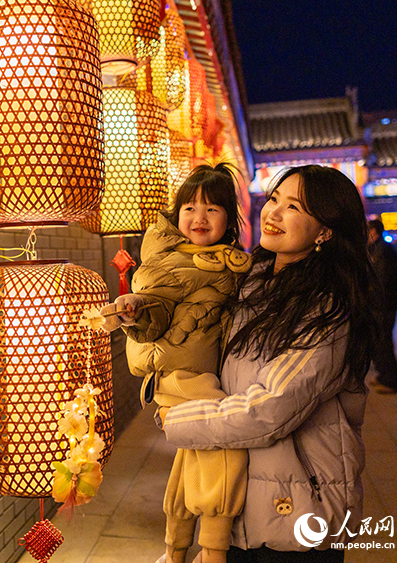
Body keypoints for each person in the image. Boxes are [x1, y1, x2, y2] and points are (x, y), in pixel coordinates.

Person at [157, 165, 378, 562]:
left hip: (298, 512)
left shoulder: (325, 307)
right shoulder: (253, 278)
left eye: (292, 207)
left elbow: (270, 409)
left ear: (325, 231)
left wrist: (177, 420)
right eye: (274, 199)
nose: (272, 213)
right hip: (244, 499)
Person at [100, 164, 251, 563]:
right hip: (181, 377)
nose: (199, 218)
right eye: (190, 208)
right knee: (225, 450)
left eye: (212, 209)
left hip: (191, 372)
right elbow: (157, 304)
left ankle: (174, 549)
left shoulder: (222, 259)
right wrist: (134, 309)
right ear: (176, 214)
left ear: (229, 218)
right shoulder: (172, 259)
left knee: (192, 462)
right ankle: (214, 551)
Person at [367, 220, 397, 393]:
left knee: (383, 341)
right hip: (378, 302)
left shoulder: (383, 250)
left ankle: (392, 381)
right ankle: (383, 375)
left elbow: (382, 280)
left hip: (383, 303)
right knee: (377, 341)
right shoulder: (376, 248)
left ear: (373, 231)